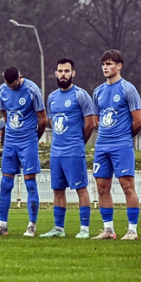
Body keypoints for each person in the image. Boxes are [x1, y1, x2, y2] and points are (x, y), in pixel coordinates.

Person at [0, 67, 47, 237]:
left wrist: (35, 137)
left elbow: (43, 119)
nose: (12, 88)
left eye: (15, 85)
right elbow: (5, 114)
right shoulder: (2, 89)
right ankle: (2, 225)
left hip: (28, 142)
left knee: (30, 184)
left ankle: (31, 225)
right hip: (11, 142)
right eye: (9, 85)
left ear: (21, 77)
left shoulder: (33, 90)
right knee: (5, 184)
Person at [39, 58, 97, 239]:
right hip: (56, 152)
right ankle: (58, 228)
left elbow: (90, 124)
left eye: (66, 71)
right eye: (60, 71)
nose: (63, 74)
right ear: (55, 74)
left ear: (73, 73)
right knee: (57, 190)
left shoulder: (81, 95)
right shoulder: (52, 97)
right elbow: (50, 121)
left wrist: (79, 141)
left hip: (74, 151)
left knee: (81, 189)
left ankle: (84, 229)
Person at [91, 49, 141, 240]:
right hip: (102, 146)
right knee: (102, 187)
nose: (106, 67)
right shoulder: (98, 91)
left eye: (110, 63)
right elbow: (96, 120)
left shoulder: (128, 89)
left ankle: (132, 230)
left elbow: (138, 121)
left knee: (127, 186)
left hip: (122, 145)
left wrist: (124, 137)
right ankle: (108, 229)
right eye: (104, 64)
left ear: (119, 66)